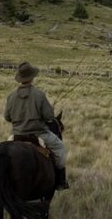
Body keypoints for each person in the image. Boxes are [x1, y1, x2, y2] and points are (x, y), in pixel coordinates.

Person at [4, 61, 69, 190]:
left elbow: (7, 117)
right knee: (60, 148)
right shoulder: (39, 95)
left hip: (16, 135)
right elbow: (49, 117)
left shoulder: (11, 96)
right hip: (39, 134)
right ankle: (60, 181)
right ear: (32, 77)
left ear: (20, 78)